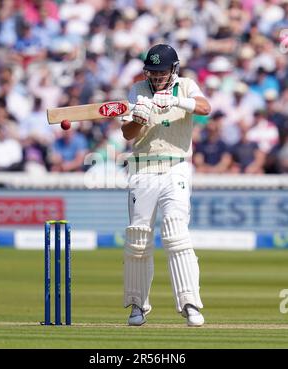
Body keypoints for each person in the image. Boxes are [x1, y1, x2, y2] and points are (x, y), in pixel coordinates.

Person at [121, 44, 211, 327]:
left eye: (162, 71)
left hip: (176, 167)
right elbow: (127, 134)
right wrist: (139, 117)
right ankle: (137, 306)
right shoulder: (137, 90)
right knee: (138, 238)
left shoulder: (186, 86)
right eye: (153, 71)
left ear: (173, 69)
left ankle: (189, 305)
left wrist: (177, 102)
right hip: (143, 168)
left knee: (176, 232)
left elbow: (206, 108)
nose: (157, 77)